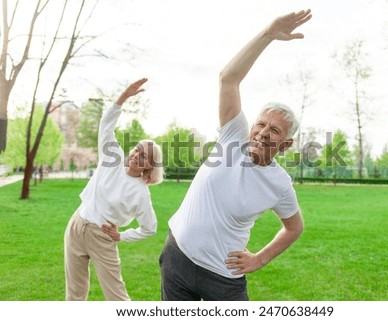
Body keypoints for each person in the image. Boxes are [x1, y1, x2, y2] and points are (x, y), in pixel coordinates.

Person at [159, 9, 312, 300]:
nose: (264, 132)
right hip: (177, 258)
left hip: (223, 278)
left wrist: (260, 259)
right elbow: (228, 79)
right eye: (261, 123)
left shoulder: (280, 184)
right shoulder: (233, 138)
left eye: (275, 131)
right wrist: (268, 34)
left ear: (286, 145)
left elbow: (294, 228)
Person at [64, 78, 164, 301]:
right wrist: (123, 97)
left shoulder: (140, 193)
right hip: (76, 224)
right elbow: (106, 124)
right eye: (137, 150)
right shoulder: (113, 158)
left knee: (117, 297)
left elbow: (150, 228)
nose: (137, 156)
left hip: (102, 237)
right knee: (74, 294)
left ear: (150, 165)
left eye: (145, 156)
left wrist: (121, 236)